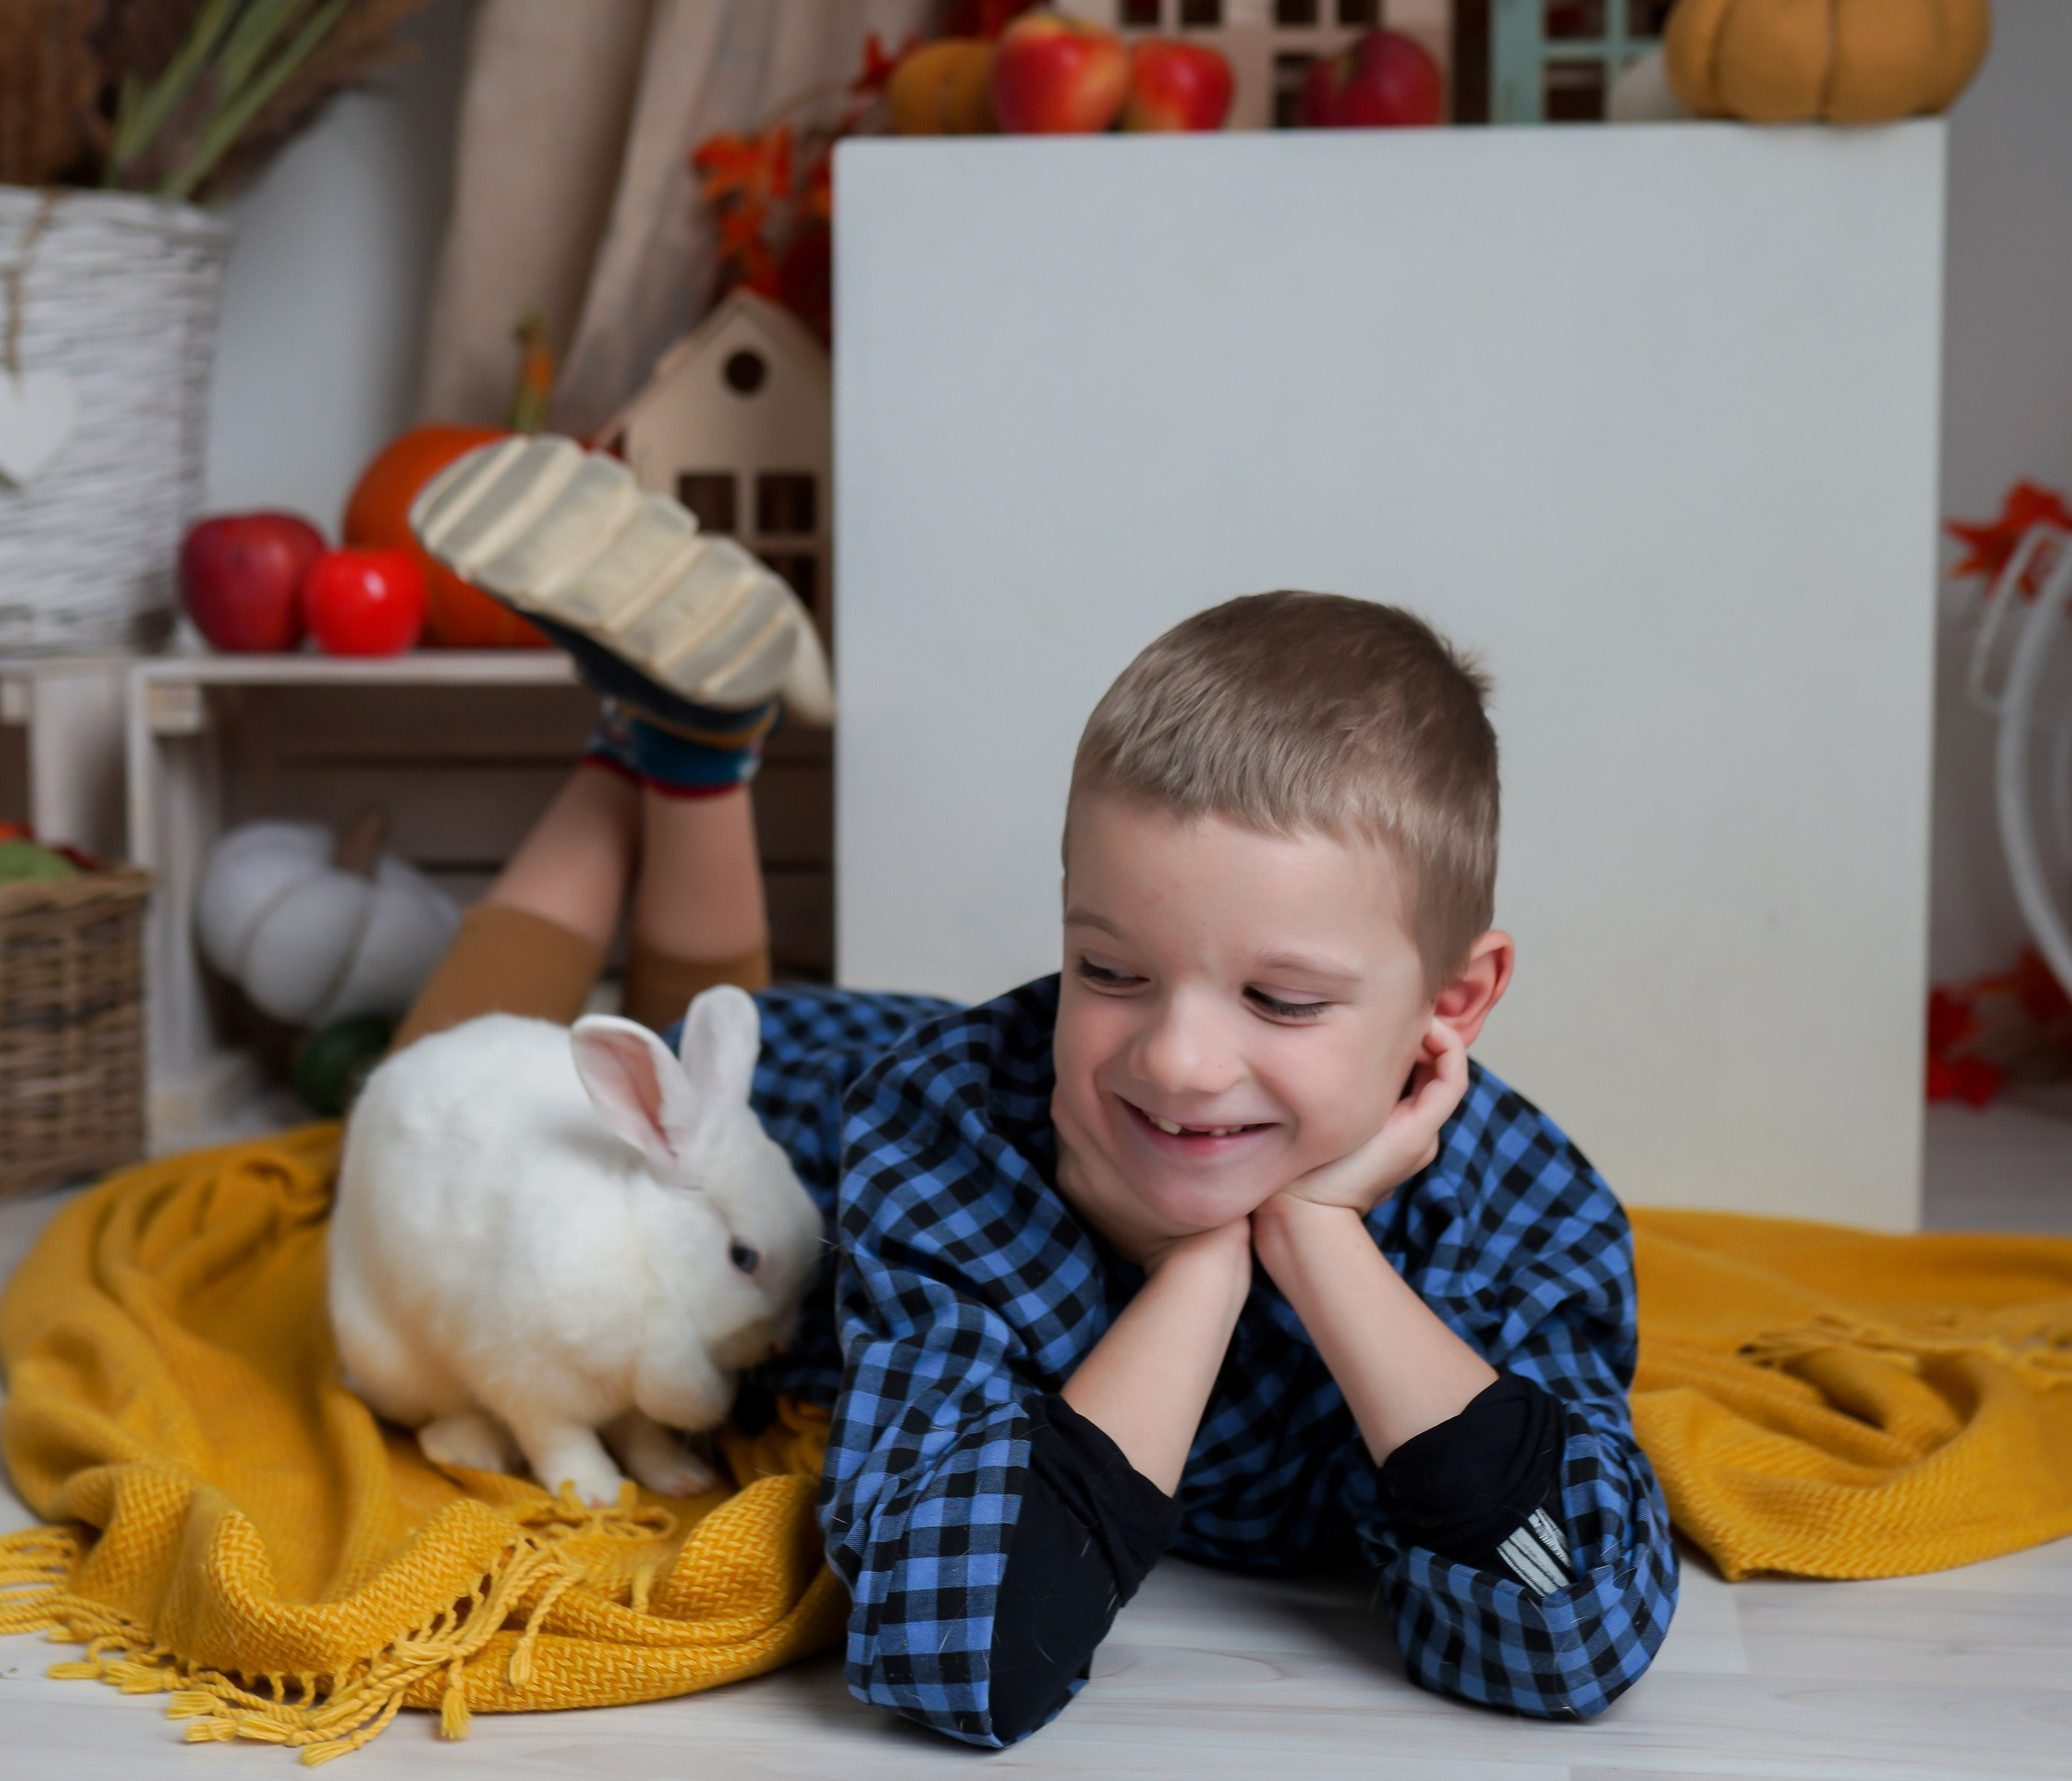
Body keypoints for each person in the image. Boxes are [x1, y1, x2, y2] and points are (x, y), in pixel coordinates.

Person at [395, 437, 1679, 1746]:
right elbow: (942, 1651)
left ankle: (679, 750)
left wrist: (1315, 1237)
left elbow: (1571, 1625)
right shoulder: (939, 1137)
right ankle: (673, 758)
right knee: (454, 1086)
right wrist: (1205, 1268)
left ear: (1453, 1005)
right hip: (799, 1099)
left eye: (1280, 1001)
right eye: (1108, 968)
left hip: (901, 1103)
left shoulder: (1522, 1208)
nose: (1177, 1060)